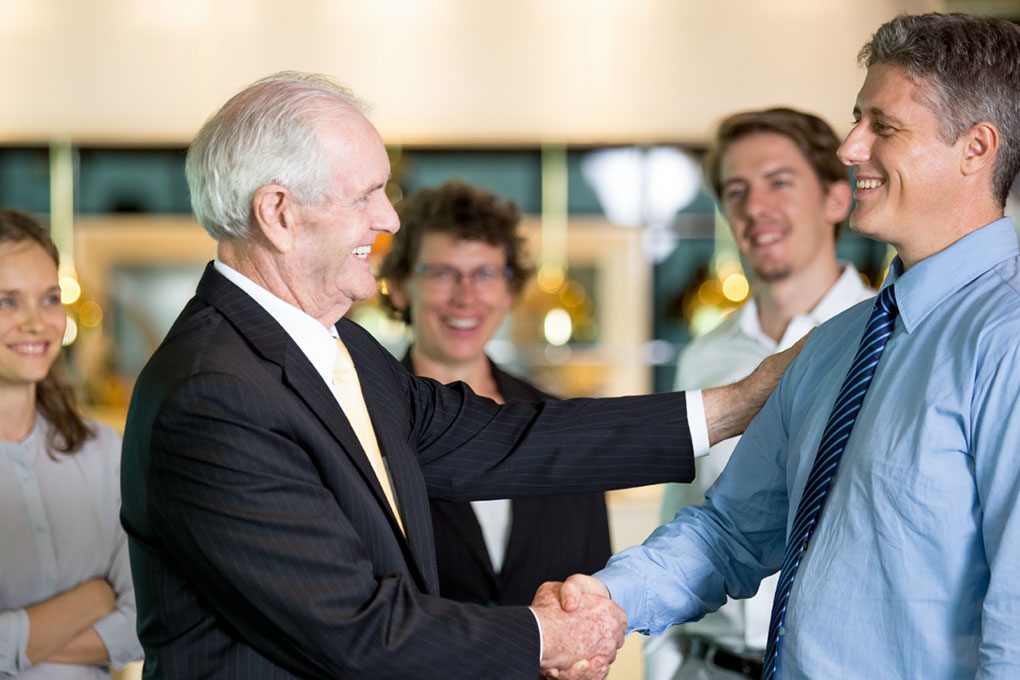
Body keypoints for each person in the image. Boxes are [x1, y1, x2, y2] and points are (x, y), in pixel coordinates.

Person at [118, 71, 800, 680]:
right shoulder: (213, 393)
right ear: (278, 213)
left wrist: (740, 402)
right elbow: (358, 630)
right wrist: (552, 635)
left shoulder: (342, 349)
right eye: (366, 196)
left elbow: (506, 439)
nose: (388, 219)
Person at [557, 12, 1020, 679]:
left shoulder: (1004, 343)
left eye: (882, 127)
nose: (850, 147)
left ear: (975, 148)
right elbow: (732, 531)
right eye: (856, 120)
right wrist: (609, 601)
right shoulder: (839, 347)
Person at [645, 108, 873, 680]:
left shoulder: (884, 341)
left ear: (835, 199)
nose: (754, 208)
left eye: (780, 182)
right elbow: (683, 516)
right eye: (736, 190)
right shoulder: (704, 356)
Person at [379, 180, 612, 609]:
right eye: (443, 273)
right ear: (399, 286)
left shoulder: (558, 422)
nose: (466, 297)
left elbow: (593, 586)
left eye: (485, 274)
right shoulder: (362, 419)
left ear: (509, 289)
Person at [0, 210, 142, 677]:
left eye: (49, 299)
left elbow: (145, 618)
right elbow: (115, 618)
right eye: (7, 302)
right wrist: (92, 599)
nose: (36, 322)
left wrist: (18, 641)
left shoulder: (101, 449)